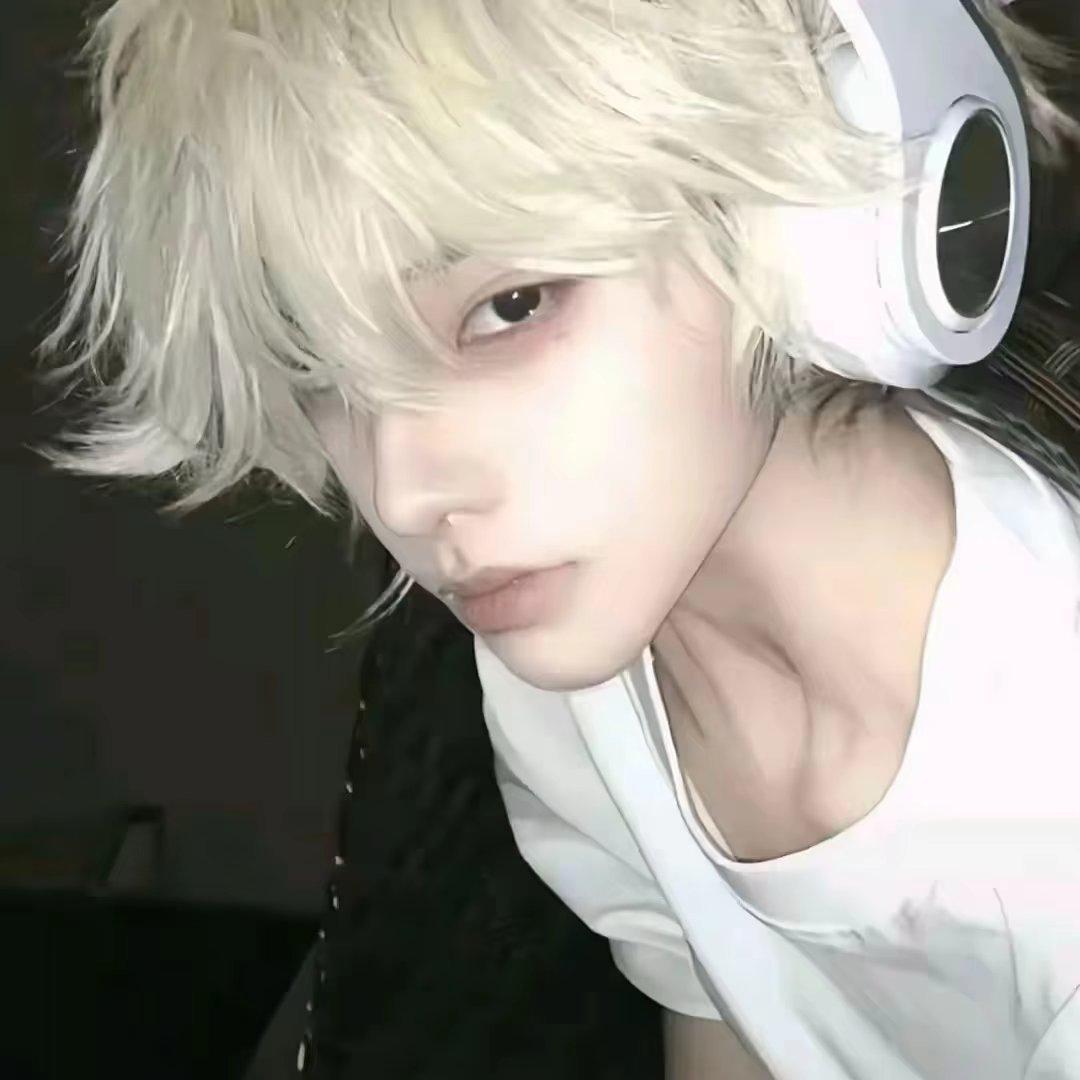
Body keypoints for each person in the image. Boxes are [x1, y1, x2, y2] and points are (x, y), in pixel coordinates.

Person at [33, 0, 1080, 1075]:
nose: (403, 491)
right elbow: (726, 1026)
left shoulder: (1050, 787)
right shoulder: (568, 703)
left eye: (511, 304)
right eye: (318, 371)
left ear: (818, 223)